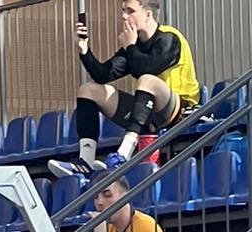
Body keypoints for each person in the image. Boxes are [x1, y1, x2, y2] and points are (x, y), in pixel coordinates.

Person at [65, 0, 201, 167]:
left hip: (179, 111)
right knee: (88, 90)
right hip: (147, 113)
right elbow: (102, 75)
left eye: (130, 11)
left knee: (147, 80)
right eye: (123, 11)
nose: (124, 16)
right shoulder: (134, 45)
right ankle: (85, 161)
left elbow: (146, 68)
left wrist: (130, 46)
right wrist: (84, 50)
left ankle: (125, 152)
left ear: (148, 15)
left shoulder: (169, 37)